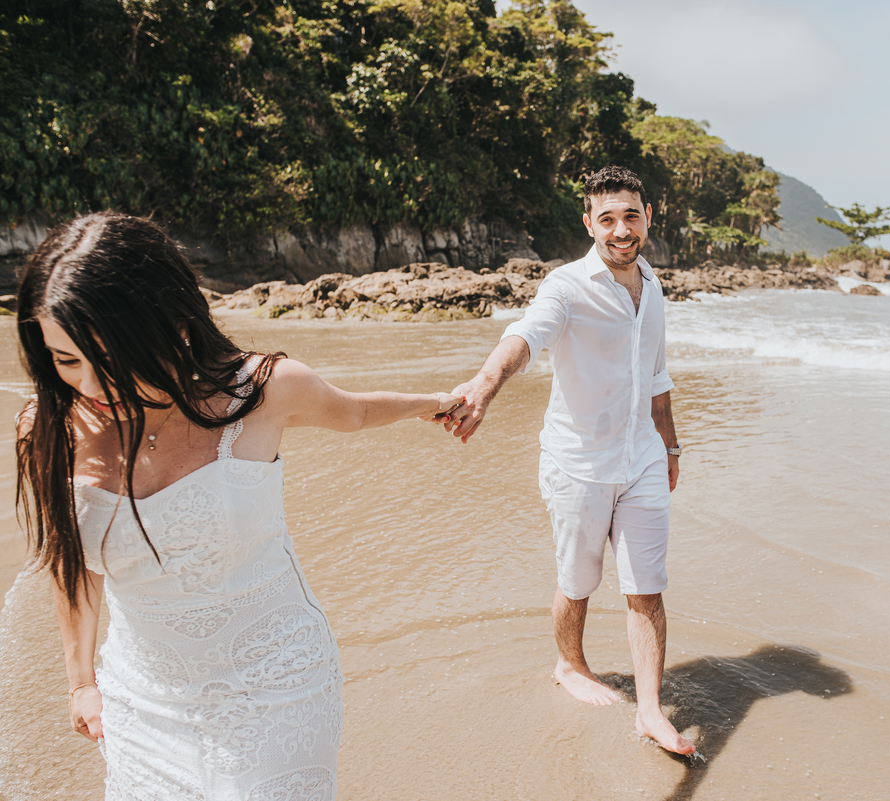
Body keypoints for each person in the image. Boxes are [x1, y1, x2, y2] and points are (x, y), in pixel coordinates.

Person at [15, 211, 463, 799]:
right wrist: (80, 684)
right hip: (143, 700)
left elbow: (353, 412)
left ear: (175, 327)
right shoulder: (47, 428)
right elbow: (71, 566)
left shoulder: (263, 390)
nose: (92, 387)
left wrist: (437, 402)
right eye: (67, 360)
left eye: (112, 358)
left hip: (277, 683)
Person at [438, 165, 695, 755]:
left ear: (648, 216)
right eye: (607, 219)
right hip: (578, 462)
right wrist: (483, 386)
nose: (621, 230)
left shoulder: (653, 285)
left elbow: (656, 375)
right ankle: (570, 664)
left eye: (630, 216)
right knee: (578, 581)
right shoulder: (566, 286)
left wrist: (670, 444)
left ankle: (650, 711)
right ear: (588, 223)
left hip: (642, 456)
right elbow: (525, 337)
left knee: (647, 587)